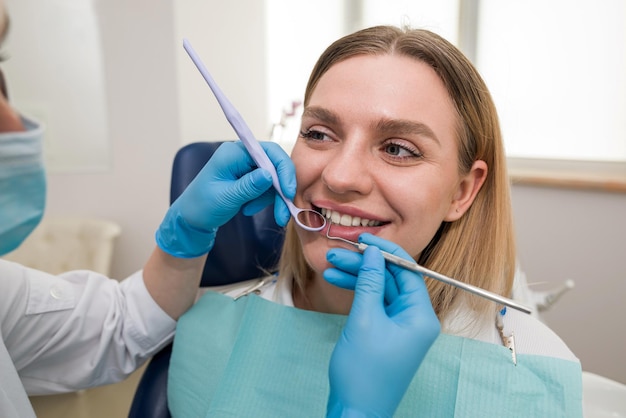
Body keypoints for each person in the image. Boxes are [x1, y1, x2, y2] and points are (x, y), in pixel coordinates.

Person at [166, 25, 583, 417]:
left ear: (462, 192)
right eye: (319, 133)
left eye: (399, 149)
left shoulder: (533, 374)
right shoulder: (209, 335)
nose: (339, 176)